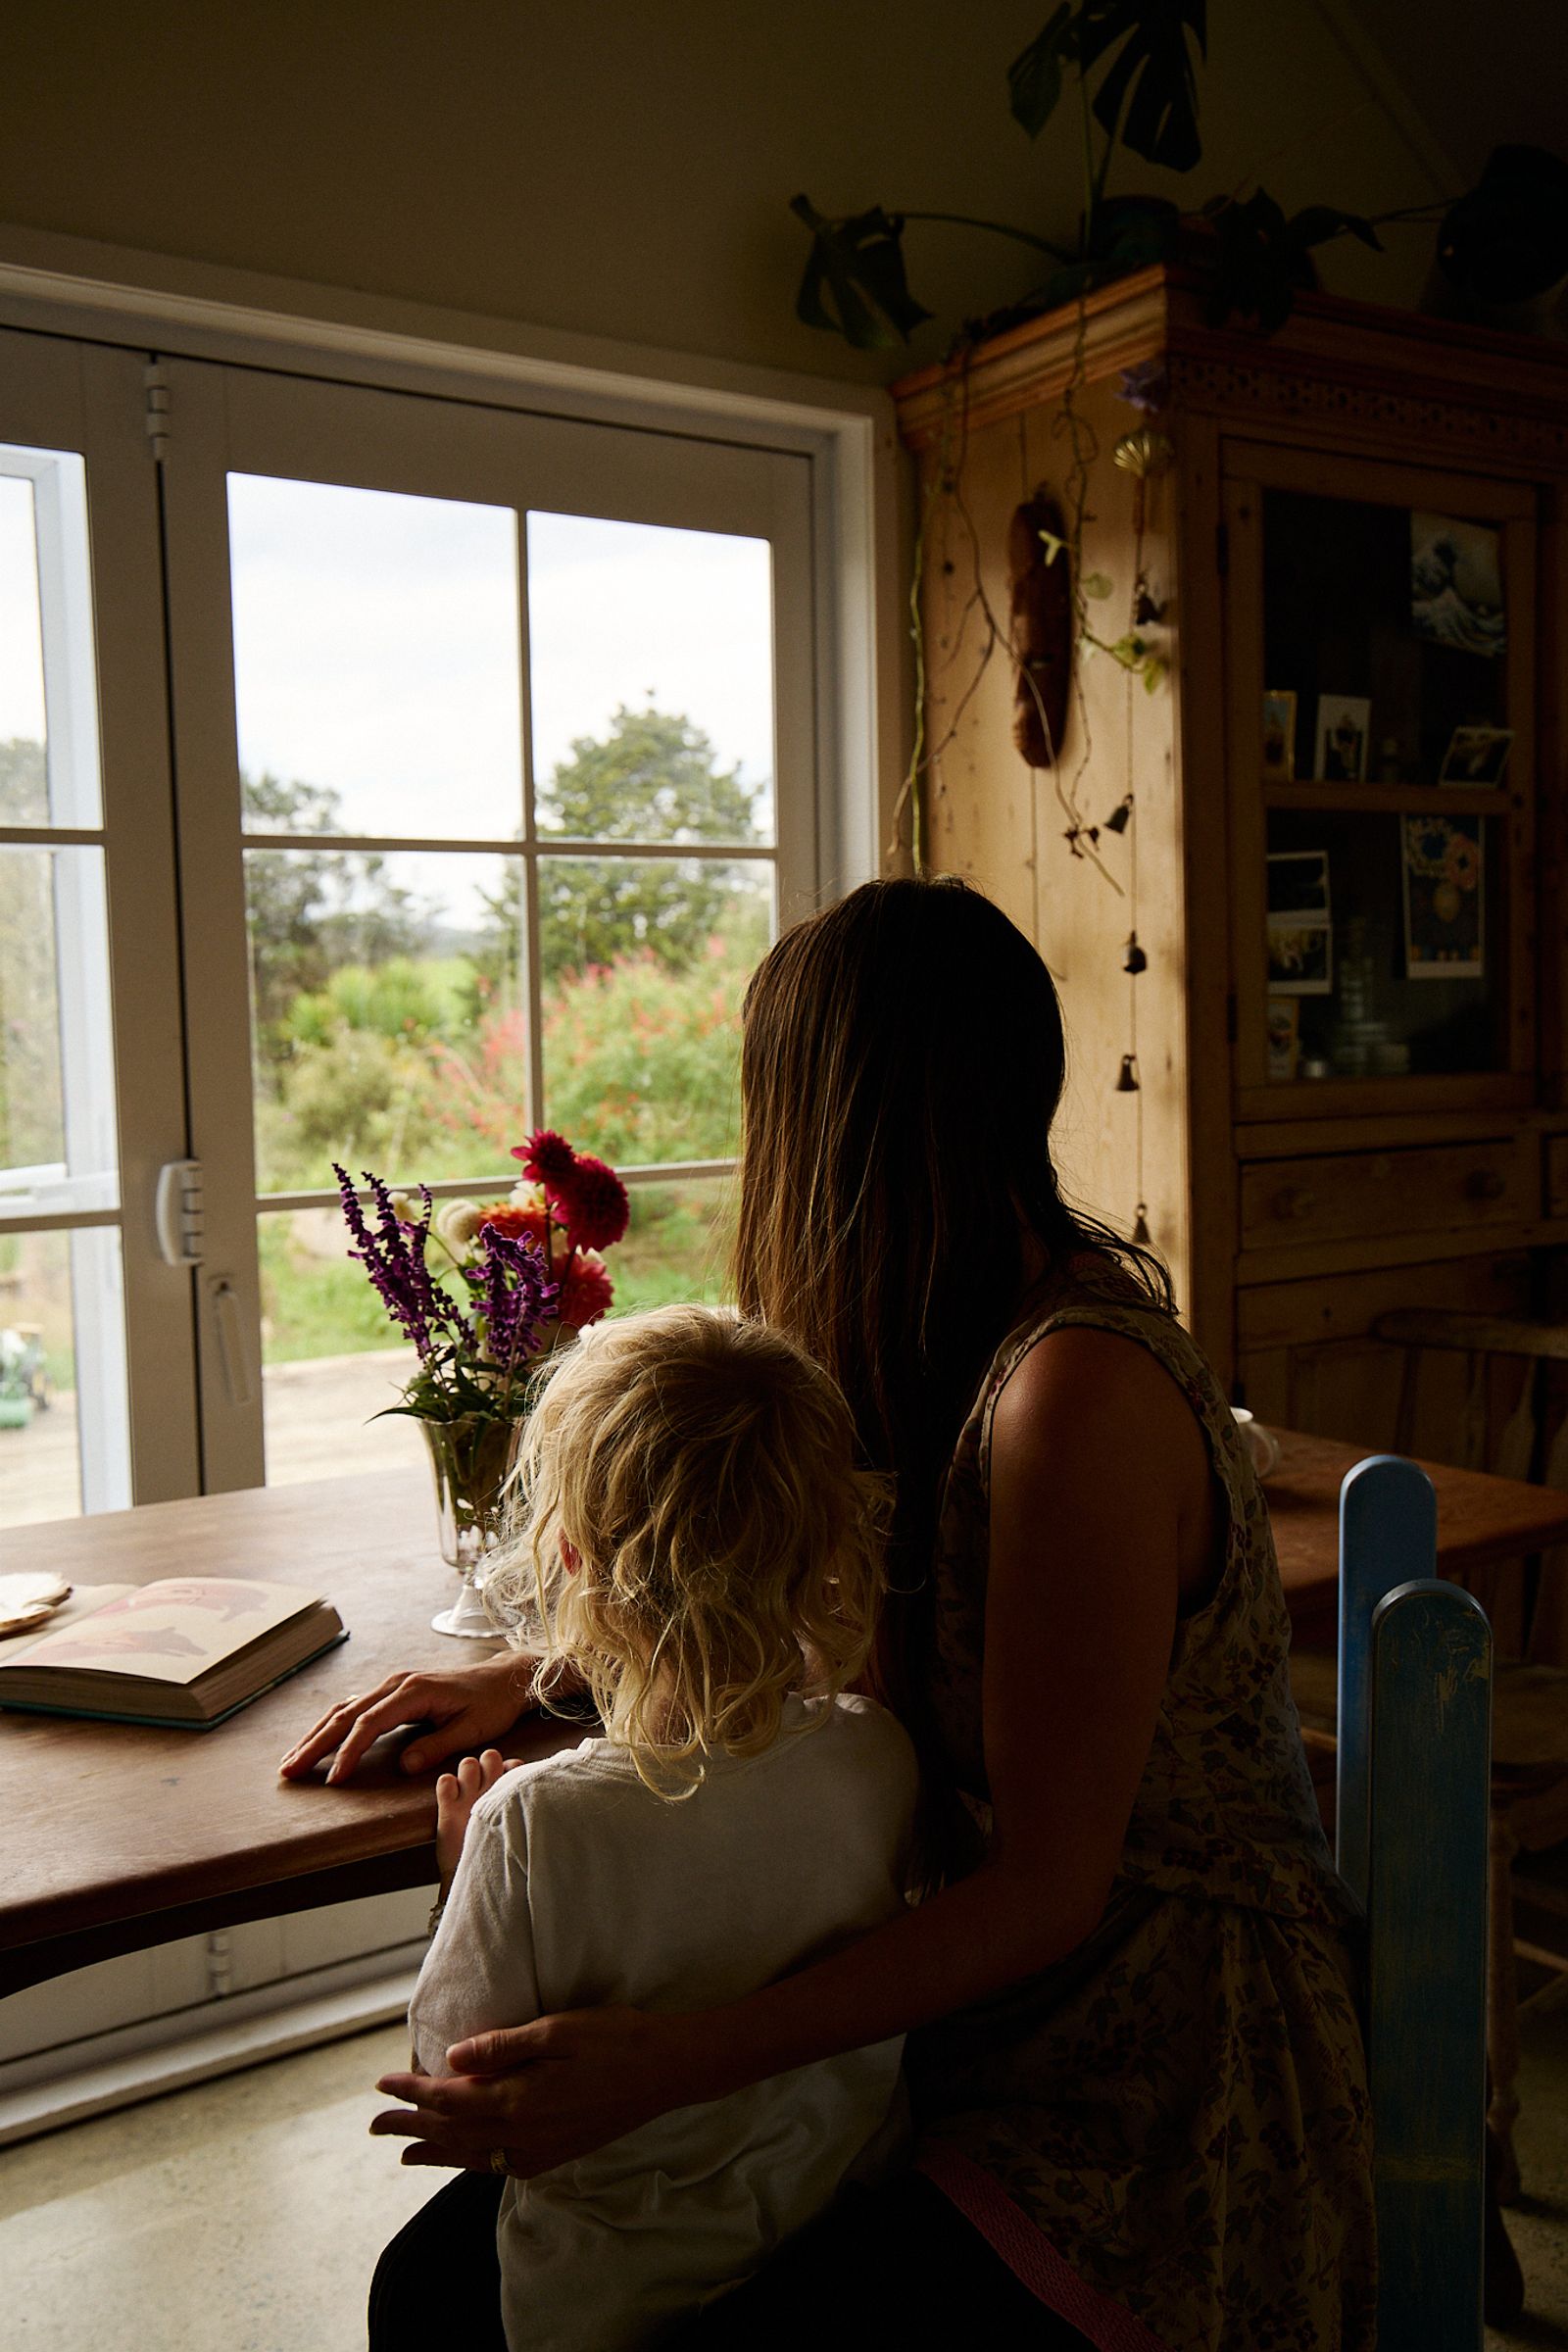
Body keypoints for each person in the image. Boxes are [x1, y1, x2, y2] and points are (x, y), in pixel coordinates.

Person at [284, 877, 1376, 2351]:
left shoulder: (1076, 1394)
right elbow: (791, 1610)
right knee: (433, 2287)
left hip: (1149, 2095)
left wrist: (667, 2062)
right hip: (956, 2029)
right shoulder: (930, 1330)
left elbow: (1049, 1893)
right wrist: (550, 1680)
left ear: (834, 1122)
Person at [372, 1303, 918, 2352]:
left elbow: (456, 2089)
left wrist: (460, 1884)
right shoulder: (876, 1755)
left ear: (570, 1556)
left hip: (605, 2307)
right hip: (838, 2257)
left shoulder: (528, 1822)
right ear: (819, 1547)